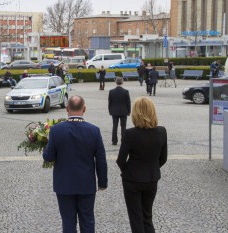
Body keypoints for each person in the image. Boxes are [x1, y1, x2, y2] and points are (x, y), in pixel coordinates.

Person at [43, 95, 108, 233]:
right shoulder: (94, 131)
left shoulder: (56, 130)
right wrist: (102, 182)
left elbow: (48, 157)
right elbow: (101, 158)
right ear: (84, 109)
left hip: (64, 185)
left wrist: (45, 146)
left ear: (67, 109)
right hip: (86, 184)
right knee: (88, 220)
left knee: (68, 222)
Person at [116, 97, 167, 233]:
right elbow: (163, 158)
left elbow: (120, 159)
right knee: (147, 216)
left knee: (135, 217)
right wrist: (152, 168)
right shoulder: (161, 131)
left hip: (132, 180)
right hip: (151, 178)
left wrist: (127, 171)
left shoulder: (130, 134)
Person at [108, 77, 131, 146]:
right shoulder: (125, 91)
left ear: (116, 82)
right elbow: (128, 102)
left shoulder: (111, 91)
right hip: (124, 111)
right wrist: (129, 111)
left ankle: (114, 141)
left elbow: (110, 102)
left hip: (114, 111)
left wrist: (110, 110)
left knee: (115, 126)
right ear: (122, 82)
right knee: (123, 127)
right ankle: (123, 140)